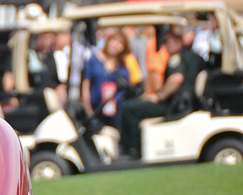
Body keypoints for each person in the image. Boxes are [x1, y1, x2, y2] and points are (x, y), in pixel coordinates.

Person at [118, 27, 203, 158]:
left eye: (167, 41)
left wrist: (159, 96)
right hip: (187, 103)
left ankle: (132, 149)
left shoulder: (177, 57)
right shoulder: (194, 56)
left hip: (175, 104)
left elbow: (176, 79)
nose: (165, 46)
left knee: (129, 108)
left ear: (178, 41)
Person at [82, 29, 132, 127]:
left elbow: (125, 90)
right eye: (114, 41)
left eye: (120, 43)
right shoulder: (94, 60)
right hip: (95, 109)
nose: (116, 45)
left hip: (114, 113)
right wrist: (88, 111)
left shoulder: (123, 68)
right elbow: (85, 86)